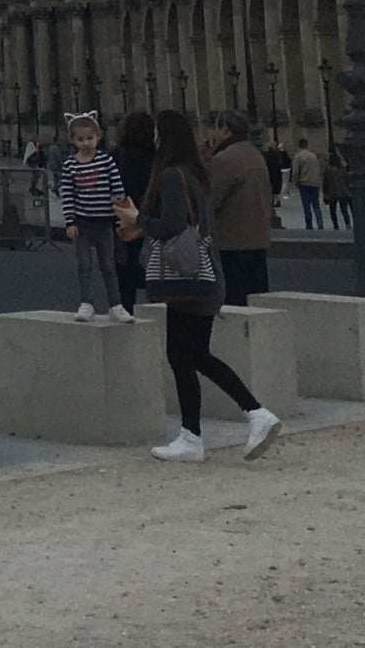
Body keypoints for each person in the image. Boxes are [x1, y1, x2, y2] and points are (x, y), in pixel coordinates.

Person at [124, 107, 279, 463]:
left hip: (187, 277)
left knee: (184, 356)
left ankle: (214, 428)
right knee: (194, 355)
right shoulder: (196, 173)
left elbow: (174, 225)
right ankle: (229, 422)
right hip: (206, 275)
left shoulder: (170, 175)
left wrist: (138, 219)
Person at [55, 111, 128, 321]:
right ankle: (86, 303)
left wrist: (122, 215)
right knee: (84, 266)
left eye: (89, 138)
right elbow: (68, 195)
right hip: (82, 223)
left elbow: (118, 190)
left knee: (108, 266)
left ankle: (116, 304)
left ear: (98, 137)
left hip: (104, 223)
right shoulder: (70, 165)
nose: (86, 143)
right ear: (73, 141)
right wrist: (70, 222)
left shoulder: (107, 161)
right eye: (80, 139)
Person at [206, 111, 274, 306]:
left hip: (232, 241)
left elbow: (210, 201)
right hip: (258, 239)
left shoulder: (224, 159)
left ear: (225, 130)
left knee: (234, 302)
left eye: (216, 129)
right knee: (257, 301)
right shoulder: (255, 155)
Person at [111, 109, 156, 316]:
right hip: (148, 223)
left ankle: (125, 319)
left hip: (120, 223)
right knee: (154, 277)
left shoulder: (114, 157)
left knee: (124, 285)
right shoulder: (156, 159)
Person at [291, 140, 324, 231]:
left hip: (304, 183)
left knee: (306, 205)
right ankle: (320, 221)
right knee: (316, 204)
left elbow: (295, 172)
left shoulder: (298, 156)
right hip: (314, 183)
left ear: (299, 146)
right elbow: (318, 169)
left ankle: (309, 224)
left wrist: (296, 182)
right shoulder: (313, 156)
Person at [263, 135, 293, 223]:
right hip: (277, 173)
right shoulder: (277, 154)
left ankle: (275, 200)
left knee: (273, 188)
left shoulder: (269, 154)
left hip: (272, 173)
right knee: (276, 188)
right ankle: (276, 200)